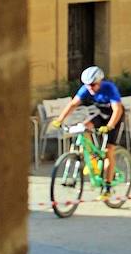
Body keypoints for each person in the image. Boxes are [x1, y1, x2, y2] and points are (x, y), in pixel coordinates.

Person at [52, 66, 124, 200]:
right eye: (87, 85)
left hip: (115, 118)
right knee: (84, 127)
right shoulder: (86, 89)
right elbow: (73, 104)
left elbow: (117, 109)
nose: (90, 88)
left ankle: (107, 187)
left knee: (108, 151)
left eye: (92, 85)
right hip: (101, 115)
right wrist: (59, 119)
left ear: (100, 81)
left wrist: (110, 126)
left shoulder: (109, 88)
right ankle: (93, 161)